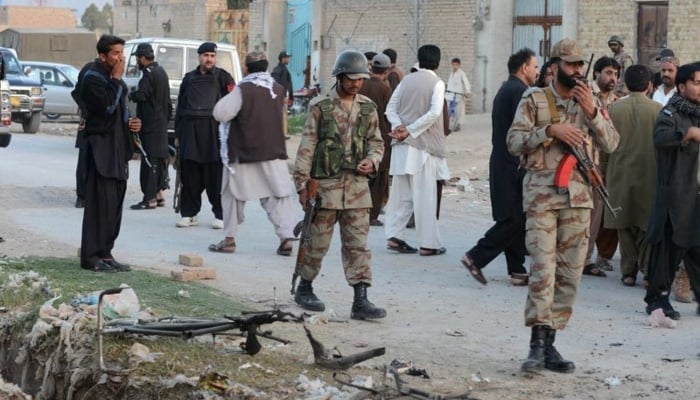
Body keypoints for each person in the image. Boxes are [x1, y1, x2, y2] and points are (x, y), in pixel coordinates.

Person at [506, 38, 619, 373]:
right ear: (554, 66)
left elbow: (612, 143)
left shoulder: (593, 101)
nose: (578, 70)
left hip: (580, 199)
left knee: (570, 273)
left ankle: (551, 343)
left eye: (581, 64)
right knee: (543, 270)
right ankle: (536, 345)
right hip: (542, 197)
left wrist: (592, 112)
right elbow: (513, 142)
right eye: (571, 64)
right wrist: (549, 130)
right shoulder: (534, 98)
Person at [292, 50, 386, 320]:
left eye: (361, 79)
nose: (357, 83)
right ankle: (305, 287)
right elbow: (307, 147)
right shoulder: (321, 107)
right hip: (325, 189)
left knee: (358, 246)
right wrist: (302, 185)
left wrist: (372, 160)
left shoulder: (368, 107)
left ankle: (361, 298)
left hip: (357, 189)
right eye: (352, 79)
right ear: (340, 76)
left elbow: (376, 142)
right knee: (317, 243)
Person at [461, 48, 538, 287]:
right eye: (535, 67)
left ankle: (517, 270)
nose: (537, 71)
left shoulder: (508, 89)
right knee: (513, 219)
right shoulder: (520, 93)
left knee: (514, 217)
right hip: (512, 164)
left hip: (504, 162)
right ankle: (475, 256)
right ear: (524, 68)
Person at [210, 51, 298, 255]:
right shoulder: (277, 88)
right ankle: (286, 238)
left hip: (245, 152)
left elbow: (221, 113)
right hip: (274, 152)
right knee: (277, 197)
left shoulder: (244, 89)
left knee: (232, 195)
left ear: (247, 68)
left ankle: (229, 239)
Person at [79, 34, 140, 273]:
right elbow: (105, 108)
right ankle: (91, 258)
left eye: (121, 53)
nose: (120, 58)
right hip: (100, 150)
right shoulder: (92, 77)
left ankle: (106, 253)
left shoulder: (114, 80)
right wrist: (115, 79)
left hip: (117, 150)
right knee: (99, 206)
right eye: (115, 54)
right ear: (102, 55)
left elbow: (119, 112)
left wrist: (133, 123)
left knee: (114, 206)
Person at [644, 62, 700, 320]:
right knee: (668, 249)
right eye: (697, 83)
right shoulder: (671, 113)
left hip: (694, 194)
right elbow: (660, 138)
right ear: (682, 86)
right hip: (675, 195)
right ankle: (657, 299)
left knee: (693, 249)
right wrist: (687, 134)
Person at [384, 44, 449, 256]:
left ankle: (395, 234)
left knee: (401, 194)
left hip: (402, 146)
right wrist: (410, 130)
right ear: (437, 63)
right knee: (425, 196)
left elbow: (390, 110)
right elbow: (434, 114)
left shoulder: (406, 80)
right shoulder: (437, 83)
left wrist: (399, 129)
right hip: (423, 147)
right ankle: (429, 244)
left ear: (419, 60)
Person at [604, 65, 661, 287]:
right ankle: (647, 272)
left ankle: (628, 272)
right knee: (647, 224)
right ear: (649, 85)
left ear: (625, 84)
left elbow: (603, 145)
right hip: (651, 174)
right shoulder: (658, 110)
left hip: (620, 173)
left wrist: (602, 170)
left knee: (624, 224)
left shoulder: (613, 109)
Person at [175, 42, 234, 228]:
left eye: (212, 55)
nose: (209, 59)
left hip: (213, 134)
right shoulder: (188, 78)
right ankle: (189, 214)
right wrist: (178, 134)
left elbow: (234, 104)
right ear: (199, 57)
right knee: (190, 176)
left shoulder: (223, 77)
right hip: (190, 133)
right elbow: (180, 108)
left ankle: (220, 215)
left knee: (214, 176)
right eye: (205, 55)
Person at [582, 56, 621, 278]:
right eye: (608, 73)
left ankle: (588, 258)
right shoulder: (586, 94)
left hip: (603, 163)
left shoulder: (616, 100)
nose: (612, 78)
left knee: (597, 214)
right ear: (597, 73)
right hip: (583, 162)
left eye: (615, 74)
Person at [128, 43, 171, 210]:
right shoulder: (162, 72)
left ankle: (149, 198)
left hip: (150, 124)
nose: (137, 61)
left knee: (149, 160)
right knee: (160, 159)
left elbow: (143, 95)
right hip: (161, 123)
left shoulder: (148, 74)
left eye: (138, 58)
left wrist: (131, 94)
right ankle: (159, 194)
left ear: (143, 58)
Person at [358, 53, 393, 227]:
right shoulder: (385, 89)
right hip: (381, 138)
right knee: (378, 179)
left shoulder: (362, 85)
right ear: (386, 71)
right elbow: (390, 114)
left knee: (363, 174)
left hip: (361, 136)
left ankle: (359, 209)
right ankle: (372, 215)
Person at [71, 57, 100, 209]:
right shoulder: (90, 69)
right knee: (84, 160)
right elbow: (76, 92)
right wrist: (86, 112)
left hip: (103, 126)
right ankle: (82, 195)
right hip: (89, 124)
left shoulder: (110, 72)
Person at [445, 58, 472, 132]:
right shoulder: (451, 73)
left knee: (459, 112)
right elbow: (450, 84)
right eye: (453, 65)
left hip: (458, 96)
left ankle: (458, 125)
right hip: (450, 96)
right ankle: (448, 125)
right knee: (448, 111)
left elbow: (466, 82)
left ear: (459, 65)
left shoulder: (461, 73)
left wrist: (467, 91)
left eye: (456, 65)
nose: (455, 66)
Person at [271, 50, 293, 137]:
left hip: (284, 96)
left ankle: (283, 133)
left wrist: (290, 95)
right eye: (287, 58)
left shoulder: (284, 69)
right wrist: (283, 96)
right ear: (282, 59)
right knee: (281, 115)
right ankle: (280, 134)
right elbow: (277, 84)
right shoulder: (278, 70)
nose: (288, 60)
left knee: (283, 115)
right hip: (281, 97)